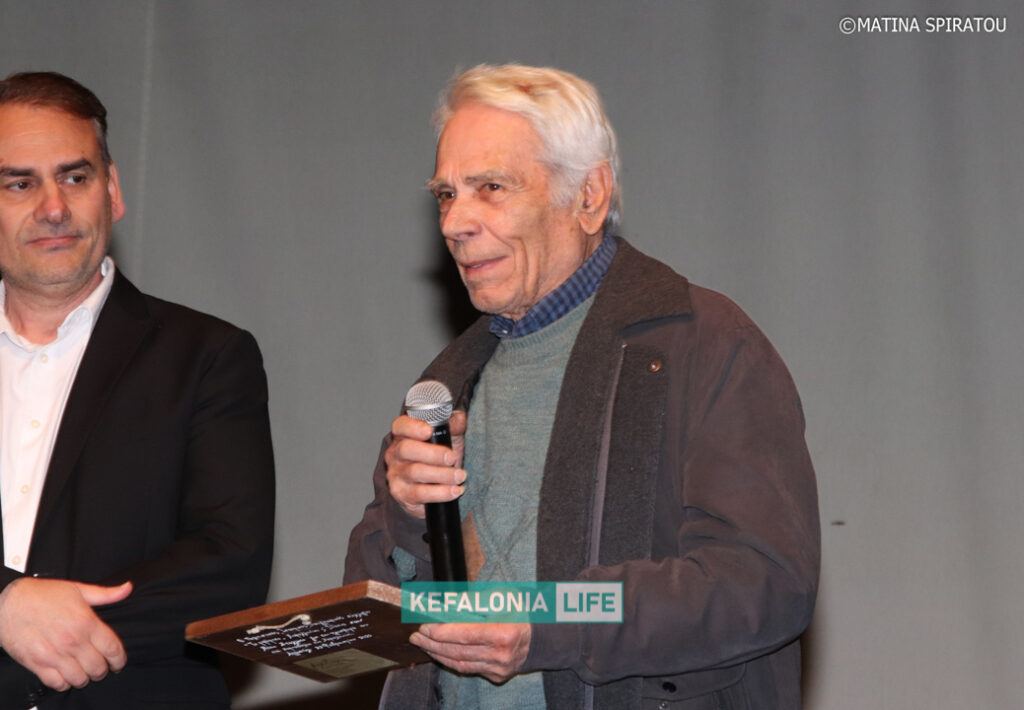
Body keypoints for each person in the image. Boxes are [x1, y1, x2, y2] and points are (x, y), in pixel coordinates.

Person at [345, 64, 819, 709]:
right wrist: (407, 519)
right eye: (446, 195)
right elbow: (379, 624)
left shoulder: (701, 343)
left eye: (491, 187)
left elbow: (761, 583)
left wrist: (551, 623)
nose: (455, 222)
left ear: (589, 196)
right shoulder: (445, 385)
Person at [0, 71, 275, 708]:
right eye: (19, 183)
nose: (53, 207)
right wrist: (6, 605)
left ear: (113, 191)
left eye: (75, 177)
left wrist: (41, 633)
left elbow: (229, 566)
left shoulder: (207, 356)